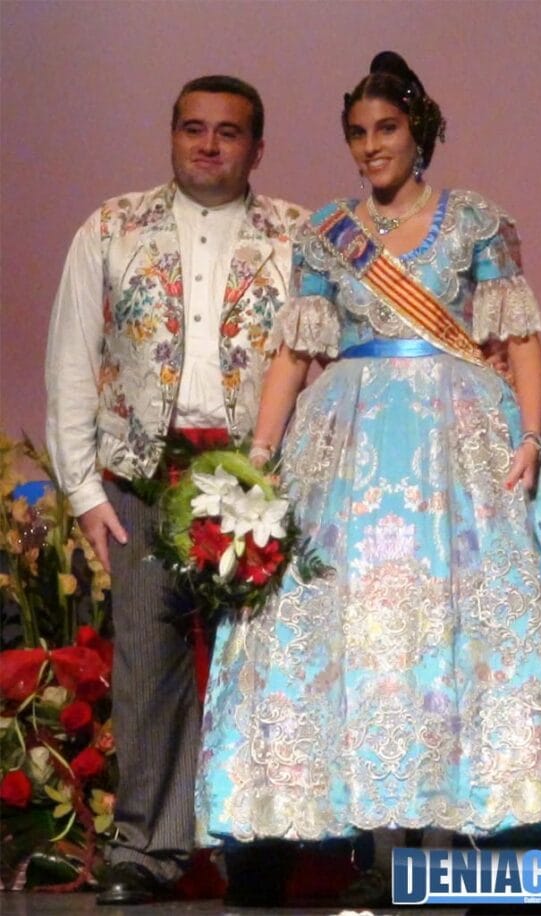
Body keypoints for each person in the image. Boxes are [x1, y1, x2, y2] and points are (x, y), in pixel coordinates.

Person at [195, 50, 541, 878]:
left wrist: (532, 435)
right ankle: (372, 834)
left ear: (419, 132)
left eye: (386, 129)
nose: (371, 147)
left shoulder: (473, 221)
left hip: (460, 435)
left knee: (460, 619)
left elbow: (521, 339)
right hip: (346, 437)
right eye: (358, 133)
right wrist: (259, 455)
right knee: (351, 618)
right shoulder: (327, 234)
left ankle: (464, 829)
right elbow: (295, 352)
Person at [45, 74, 308, 905]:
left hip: (253, 475)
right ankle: (146, 850)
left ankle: (254, 846)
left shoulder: (298, 236)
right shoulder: (112, 227)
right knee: (149, 665)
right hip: (141, 473)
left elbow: (321, 361)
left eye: (228, 133)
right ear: (171, 135)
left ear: (257, 148)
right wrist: (85, 491)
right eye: (192, 128)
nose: (207, 144)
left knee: (257, 666)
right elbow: (70, 361)